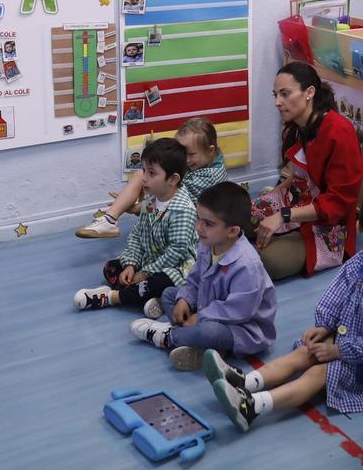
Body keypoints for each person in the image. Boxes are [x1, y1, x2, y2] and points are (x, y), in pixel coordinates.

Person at [208, 186, 363, 432]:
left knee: (319, 372)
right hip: (351, 338)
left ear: (360, 226)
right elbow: (337, 296)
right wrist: (324, 326)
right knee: (304, 353)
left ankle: (252, 406)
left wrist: (338, 350)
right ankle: (246, 381)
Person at [129, 182, 275, 371]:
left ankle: (168, 336)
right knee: (169, 294)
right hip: (209, 306)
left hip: (242, 329)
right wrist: (185, 299)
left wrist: (201, 316)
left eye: (208, 223)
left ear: (233, 231)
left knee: (210, 331)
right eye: (199, 219)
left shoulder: (248, 265)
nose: (198, 227)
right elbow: (195, 279)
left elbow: (239, 311)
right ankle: (202, 347)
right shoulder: (208, 243)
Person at [250, 62, 363, 279]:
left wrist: (282, 216)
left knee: (268, 261)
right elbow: (298, 178)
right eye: (275, 95)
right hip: (298, 199)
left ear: (309, 92)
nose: (277, 102)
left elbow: (338, 203)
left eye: (285, 94)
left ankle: (287, 236)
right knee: (236, 217)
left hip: (329, 222)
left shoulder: (340, 131)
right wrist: (270, 200)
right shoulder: (296, 124)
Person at [73, 138, 198, 311]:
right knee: (111, 267)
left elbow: (176, 253)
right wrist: (131, 265)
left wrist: (145, 273)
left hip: (176, 268)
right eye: (143, 170)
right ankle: (148, 297)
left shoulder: (182, 210)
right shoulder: (151, 201)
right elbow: (138, 235)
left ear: (173, 179)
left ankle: (112, 297)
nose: (144, 178)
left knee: (160, 282)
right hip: (150, 261)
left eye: (152, 173)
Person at [78, 117, 227, 239]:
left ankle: (111, 217)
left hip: (191, 223)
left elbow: (170, 198)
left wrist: (137, 206)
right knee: (142, 175)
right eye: (182, 153)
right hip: (171, 211)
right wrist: (133, 200)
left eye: (191, 154)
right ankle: (110, 218)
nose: (184, 159)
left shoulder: (210, 176)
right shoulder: (201, 163)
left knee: (148, 179)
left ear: (210, 150)